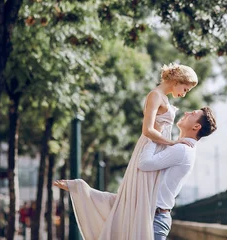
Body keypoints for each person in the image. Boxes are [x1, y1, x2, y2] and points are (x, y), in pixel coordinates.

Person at [54, 63, 198, 240]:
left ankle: (81, 189)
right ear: (177, 80)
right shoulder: (155, 95)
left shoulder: (164, 99)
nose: (184, 94)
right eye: (185, 89)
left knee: (139, 200)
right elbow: (147, 130)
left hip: (155, 148)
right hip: (149, 147)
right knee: (136, 198)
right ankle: (82, 190)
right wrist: (173, 142)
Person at [138, 106, 217, 240]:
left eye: (192, 114)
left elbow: (144, 164)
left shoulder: (182, 150)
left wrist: (154, 135)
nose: (186, 112)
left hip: (154, 219)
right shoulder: (182, 148)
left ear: (196, 126)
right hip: (154, 216)